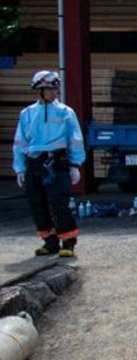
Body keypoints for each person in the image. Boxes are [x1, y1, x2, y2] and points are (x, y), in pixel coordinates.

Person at [13, 70, 85, 257]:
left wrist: (75, 164)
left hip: (56, 162)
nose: (54, 92)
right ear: (40, 90)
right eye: (50, 89)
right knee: (38, 204)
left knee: (59, 203)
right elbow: (20, 142)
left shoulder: (65, 112)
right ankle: (49, 241)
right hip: (34, 163)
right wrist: (20, 168)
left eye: (55, 88)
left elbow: (75, 139)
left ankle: (68, 242)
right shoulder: (27, 114)